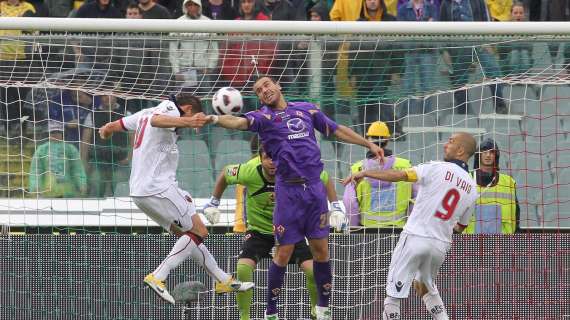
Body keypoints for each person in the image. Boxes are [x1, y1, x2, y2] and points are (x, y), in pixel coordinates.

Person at [204, 75, 383, 320]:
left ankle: (322, 307)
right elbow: (236, 122)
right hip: (288, 192)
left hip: (314, 190)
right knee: (284, 252)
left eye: (266, 85)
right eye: (258, 90)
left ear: (278, 85)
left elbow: (336, 129)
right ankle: (271, 310)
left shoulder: (307, 109)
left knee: (321, 251)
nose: (264, 90)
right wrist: (213, 118)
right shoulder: (262, 118)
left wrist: (368, 144)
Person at [97, 92, 254, 305]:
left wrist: (106, 129)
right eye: (194, 116)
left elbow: (119, 124)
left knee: (189, 236)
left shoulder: (143, 113)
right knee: (199, 231)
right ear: (188, 108)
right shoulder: (169, 108)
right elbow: (157, 120)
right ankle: (159, 276)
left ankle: (222, 279)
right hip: (157, 187)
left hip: (143, 191)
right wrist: (188, 121)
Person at [343, 132, 478, 320]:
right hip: (440, 245)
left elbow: (399, 175)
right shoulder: (472, 187)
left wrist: (365, 172)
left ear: (461, 150)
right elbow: (461, 226)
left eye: (450, 141)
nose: (445, 145)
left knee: (393, 297)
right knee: (425, 287)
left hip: (415, 237)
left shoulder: (436, 168)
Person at [202, 145, 346, 320]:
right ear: (260, 158)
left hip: (291, 228)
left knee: (313, 271)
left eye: (275, 158)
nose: (272, 163)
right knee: (242, 268)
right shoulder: (249, 171)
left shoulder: (296, 169)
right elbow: (226, 173)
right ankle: (245, 316)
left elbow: (324, 177)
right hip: (259, 231)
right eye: (267, 158)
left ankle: (316, 311)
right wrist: (214, 202)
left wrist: (336, 207)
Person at [440, 0, 507, 114]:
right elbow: (441, 29)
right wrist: (444, 50)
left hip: (479, 41)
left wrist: (488, 41)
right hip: (457, 45)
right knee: (459, 79)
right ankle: (462, 112)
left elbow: (486, 19)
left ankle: (500, 105)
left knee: (493, 70)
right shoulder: (446, 4)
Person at [343, 121, 413, 228]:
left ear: (368, 139)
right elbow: (416, 199)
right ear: (388, 140)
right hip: (399, 231)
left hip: (366, 231)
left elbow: (350, 203)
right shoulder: (406, 166)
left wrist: (354, 229)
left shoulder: (357, 169)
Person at [464, 138, 519, 234]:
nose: (488, 155)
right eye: (484, 152)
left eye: (491, 152)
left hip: (501, 243)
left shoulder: (508, 182)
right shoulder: (466, 180)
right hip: (471, 243)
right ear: (478, 155)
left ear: (496, 156)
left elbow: (516, 215)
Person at [169, 0, 219, 95]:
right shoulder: (178, 23)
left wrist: (209, 67)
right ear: (185, 6)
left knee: (206, 99)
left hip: (203, 70)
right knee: (185, 100)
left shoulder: (209, 23)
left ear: (199, 6)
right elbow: (173, 50)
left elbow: (214, 49)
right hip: (184, 69)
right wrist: (176, 71)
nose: (192, 7)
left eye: (195, 5)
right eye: (189, 5)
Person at [28, 121, 87, 198]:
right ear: (48, 133)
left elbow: (77, 168)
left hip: (67, 193)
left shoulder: (70, 149)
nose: (55, 134)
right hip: (48, 192)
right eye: (53, 132)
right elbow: (36, 169)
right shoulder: (42, 149)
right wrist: (35, 186)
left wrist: (81, 184)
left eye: (58, 132)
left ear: (63, 133)